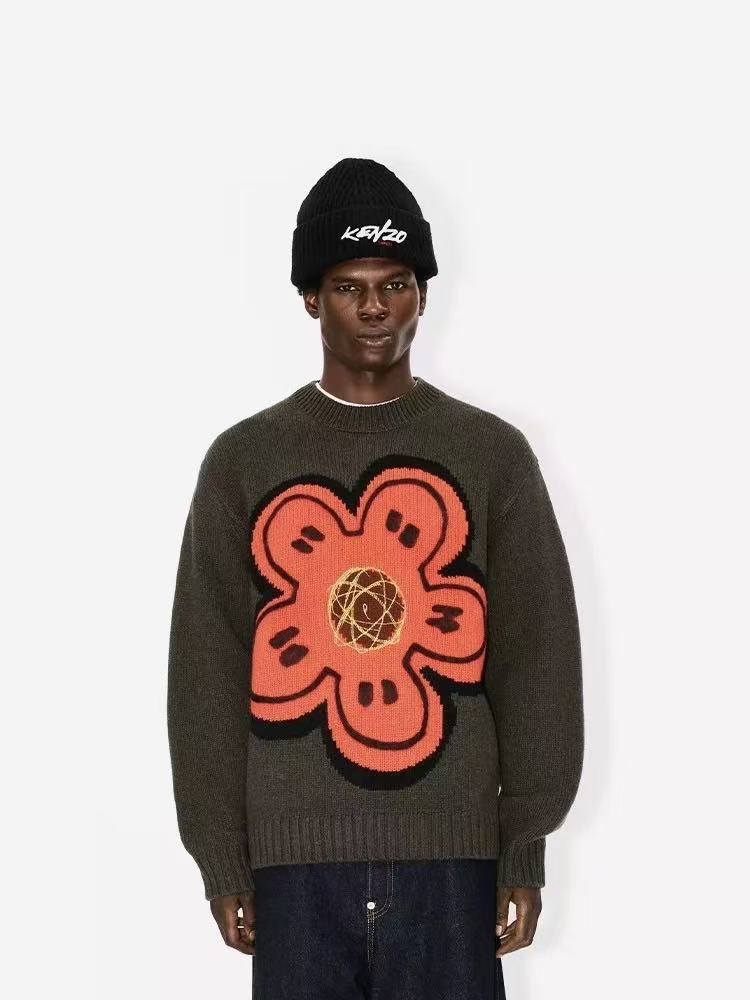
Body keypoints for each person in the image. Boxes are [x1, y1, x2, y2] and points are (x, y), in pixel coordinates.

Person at [167, 157, 584, 1000]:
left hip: (454, 864)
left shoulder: (491, 455)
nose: (373, 307)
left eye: (394, 284)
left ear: (422, 295)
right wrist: (221, 857)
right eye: (347, 286)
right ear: (309, 298)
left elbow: (537, 657)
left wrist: (523, 843)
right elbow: (206, 671)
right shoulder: (244, 461)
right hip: (292, 871)